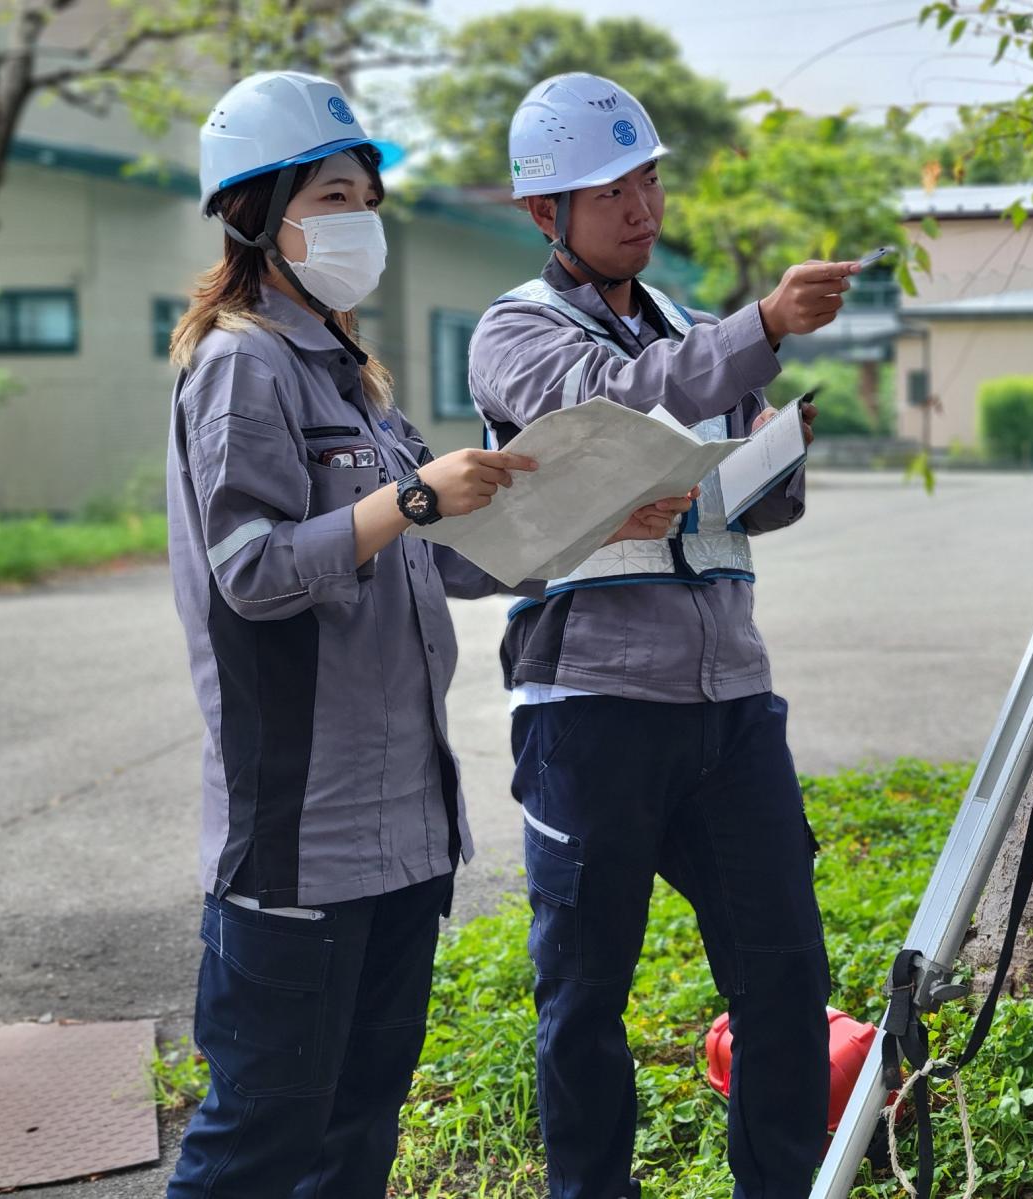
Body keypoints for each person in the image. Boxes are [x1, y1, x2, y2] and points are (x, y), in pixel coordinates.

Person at [163, 70, 689, 1196]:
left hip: (402, 838)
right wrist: (407, 498)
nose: (360, 220)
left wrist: (597, 518)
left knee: (357, 1133)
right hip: (299, 838)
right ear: (258, 214)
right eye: (335, 195)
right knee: (257, 1145)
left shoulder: (352, 379)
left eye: (366, 198)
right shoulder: (240, 365)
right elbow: (248, 571)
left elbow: (447, 558)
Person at [468, 71, 864, 1199]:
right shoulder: (516, 331)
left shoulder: (690, 327)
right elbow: (616, 404)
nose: (640, 206)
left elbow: (747, 499)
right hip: (591, 703)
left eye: (645, 178)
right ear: (545, 213)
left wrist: (773, 451)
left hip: (730, 701)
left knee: (785, 975)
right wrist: (765, 328)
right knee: (584, 995)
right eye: (609, 189)